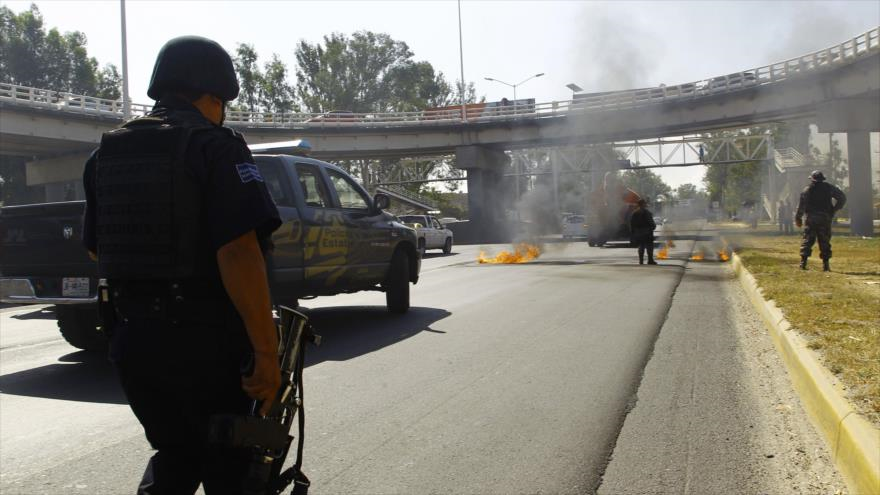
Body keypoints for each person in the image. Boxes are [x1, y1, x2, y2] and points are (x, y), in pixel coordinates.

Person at [82, 36, 283, 493]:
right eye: (223, 104)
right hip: (206, 346)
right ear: (213, 96)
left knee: (176, 454)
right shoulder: (215, 146)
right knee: (233, 465)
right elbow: (239, 253)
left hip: (133, 344)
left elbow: (98, 250)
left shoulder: (106, 153)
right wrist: (267, 355)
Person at [795, 170, 846, 271]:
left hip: (811, 218)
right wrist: (834, 209)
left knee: (808, 240)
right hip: (825, 218)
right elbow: (842, 198)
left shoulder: (807, 189)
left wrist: (798, 217)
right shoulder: (829, 188)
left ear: (812, 179)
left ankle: (803, 263)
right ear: (822, 179)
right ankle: (826, 265)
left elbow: (802, 205)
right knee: (824, 240)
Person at [630, 198, 657, 265]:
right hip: (647, 232)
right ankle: (650, 260)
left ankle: (641, 261)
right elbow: (651, 222)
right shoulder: (647, 212)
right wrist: (653, 227)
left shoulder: (634, 213)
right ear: (643, 204)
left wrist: (633, 232)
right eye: (645, 203)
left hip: (638, 232)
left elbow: (632, 223)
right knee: (649, 246)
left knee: (641, 246)